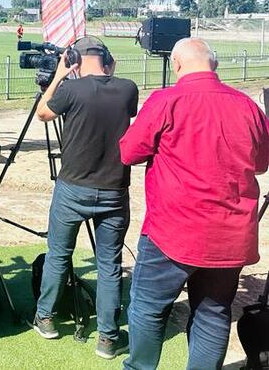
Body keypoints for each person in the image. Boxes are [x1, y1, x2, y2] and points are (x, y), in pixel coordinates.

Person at [119, 38, 269, 370]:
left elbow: (128, 152)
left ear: (176, 65)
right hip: (230, 237)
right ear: (214, 65)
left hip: (173, 231)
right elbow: (261, 162)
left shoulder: (166, 100)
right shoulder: (247, 106)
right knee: (213, 314)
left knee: (147, 306)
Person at [30, 37, 139, 360]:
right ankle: (108, 337)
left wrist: (60, 76)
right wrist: (111, 69)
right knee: (109, 264)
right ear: (106, 58)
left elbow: (43, 113)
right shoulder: (127, 88)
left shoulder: (70, 89)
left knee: (59, 255)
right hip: (114, 189)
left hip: (73, 187)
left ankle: (46, 317)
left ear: (74, 58)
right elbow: (124, 103)